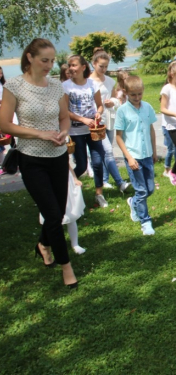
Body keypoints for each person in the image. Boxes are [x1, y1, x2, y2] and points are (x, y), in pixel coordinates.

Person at [0, 38, 78, 288]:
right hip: (31, 159)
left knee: (55, 212)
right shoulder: (14, 86)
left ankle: (43, 244)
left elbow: (64, 118)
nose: (49, 65)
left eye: (53, 61)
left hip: (57, 158)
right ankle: (67, 268)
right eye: (45, 60)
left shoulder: (56, 87)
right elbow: (4, 124)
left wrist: (63, 133)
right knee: (53, 215)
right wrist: (41, 134)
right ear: (29, 58)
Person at [63, 54, 108, 208]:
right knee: (81, 165)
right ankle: (67, 188)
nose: (71, 68)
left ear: (83, 67)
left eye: (74, 65)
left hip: (93, 130)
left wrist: (98, 113)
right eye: (70, 65)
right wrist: (82, 120)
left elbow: (99, 105)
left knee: (97, 162)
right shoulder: (66, 86)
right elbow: (64, 111)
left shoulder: (92, 84)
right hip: (76, 132)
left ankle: (99, 194)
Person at [115, 76, 157, 236]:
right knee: (141, 190)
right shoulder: (122, 111)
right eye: (133, 95)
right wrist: (129, 157)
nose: (137, 98)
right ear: (125, 93)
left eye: (140, 94)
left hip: (147, 155)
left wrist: (153, 150)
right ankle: (145, 221)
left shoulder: (147, 107)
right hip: (133, 156)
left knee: (150, 189)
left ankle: (133, 203)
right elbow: (118, 136)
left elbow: (151, 129)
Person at [89, 50, 131, 193]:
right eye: (101, 66)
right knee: (107, 151)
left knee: (105, 152)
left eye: (106, 66)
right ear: (94, 64)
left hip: (109, 119)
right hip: (96, 121)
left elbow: (116, 99)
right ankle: (120, 182)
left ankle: (105, 180)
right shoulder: (88, 81)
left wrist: (112, 102)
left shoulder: (110, 81)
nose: (104, 69)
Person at [40, 164, 86, 255]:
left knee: (70, 213)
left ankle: (75, 244)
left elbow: (66, 162)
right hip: (50, 179)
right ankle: (51, 245)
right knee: (52, 216)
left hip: (65, 179)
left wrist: (74, 178)